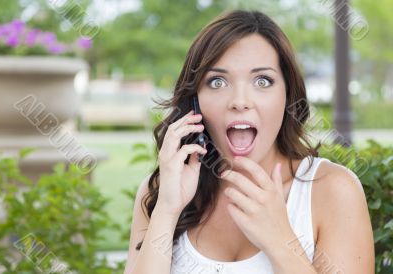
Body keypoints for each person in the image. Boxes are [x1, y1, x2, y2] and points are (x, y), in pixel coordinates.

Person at [124, 10, 374, 274]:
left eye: (262, 80)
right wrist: (166, 209)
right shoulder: (161, 192)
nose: (240, 101)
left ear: (288, 96)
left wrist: (280, 241)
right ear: (195, 101)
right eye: (217, 81)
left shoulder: (333, 191)